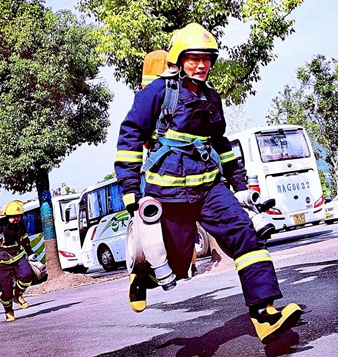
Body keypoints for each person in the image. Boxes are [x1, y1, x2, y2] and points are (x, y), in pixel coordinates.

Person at [114, 22, 302, 344]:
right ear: (179, 59)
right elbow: (129, 138)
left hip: (210, 190)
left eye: (207, 59)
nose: (201, 65)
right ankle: (142, 275)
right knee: (176, 267)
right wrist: (131, 191)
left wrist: (239, 185)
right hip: (169, 195)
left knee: (246, 236)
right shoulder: (157, 93)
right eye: (194, 58)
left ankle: (264, 313)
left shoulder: (212, 98)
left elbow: (221, 144)